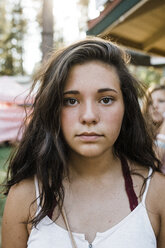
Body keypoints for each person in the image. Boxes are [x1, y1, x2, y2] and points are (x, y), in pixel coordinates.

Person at [2, 37, 165, 248]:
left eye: (106, 99)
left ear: (126, 107)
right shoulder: (24, 195)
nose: (89, 116)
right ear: (52, 109)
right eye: (71, 100)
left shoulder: (157, 192)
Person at [143, 84, 165, 172]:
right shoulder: (142, 133)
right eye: (150, 102)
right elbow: (153, 165)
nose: (155, 106)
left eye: (161, 101)